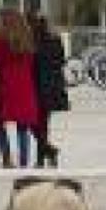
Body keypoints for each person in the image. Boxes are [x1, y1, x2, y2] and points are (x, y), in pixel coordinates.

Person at [0, 9, 42, 169]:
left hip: (5, 86)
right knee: (23, 125)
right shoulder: (28, 38)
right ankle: (24, 162)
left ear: (5, 21)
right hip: (25, 86)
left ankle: (7, 158)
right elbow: (31, 62)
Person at [29, 12, 69, 167]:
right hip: (52, 87)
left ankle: (45, 155)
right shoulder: (55, 39)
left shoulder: (35, 42)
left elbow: (33, 65)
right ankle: (47, 153)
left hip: (39, 86)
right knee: (43, 123)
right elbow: (61, 60)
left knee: (34, 123)